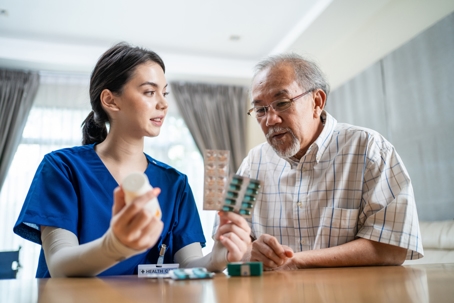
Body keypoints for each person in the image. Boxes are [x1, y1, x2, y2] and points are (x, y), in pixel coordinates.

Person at [13, 42, 251, 278]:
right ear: (110, 100)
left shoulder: (175, 184)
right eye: (149, 92)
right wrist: (114, 246)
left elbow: (188, 264)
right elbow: (59, 265)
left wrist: (216, 259)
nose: (164, 103)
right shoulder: (62, 168)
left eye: (164, 93)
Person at [221, 53, 423, 270]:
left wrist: (295, 260)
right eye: (261, 110)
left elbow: (392, 247)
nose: (270, 120)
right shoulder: (253, 163)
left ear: (317, 101)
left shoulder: (369, 148)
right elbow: (226, 243)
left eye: (281, 103)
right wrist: (249, 251)